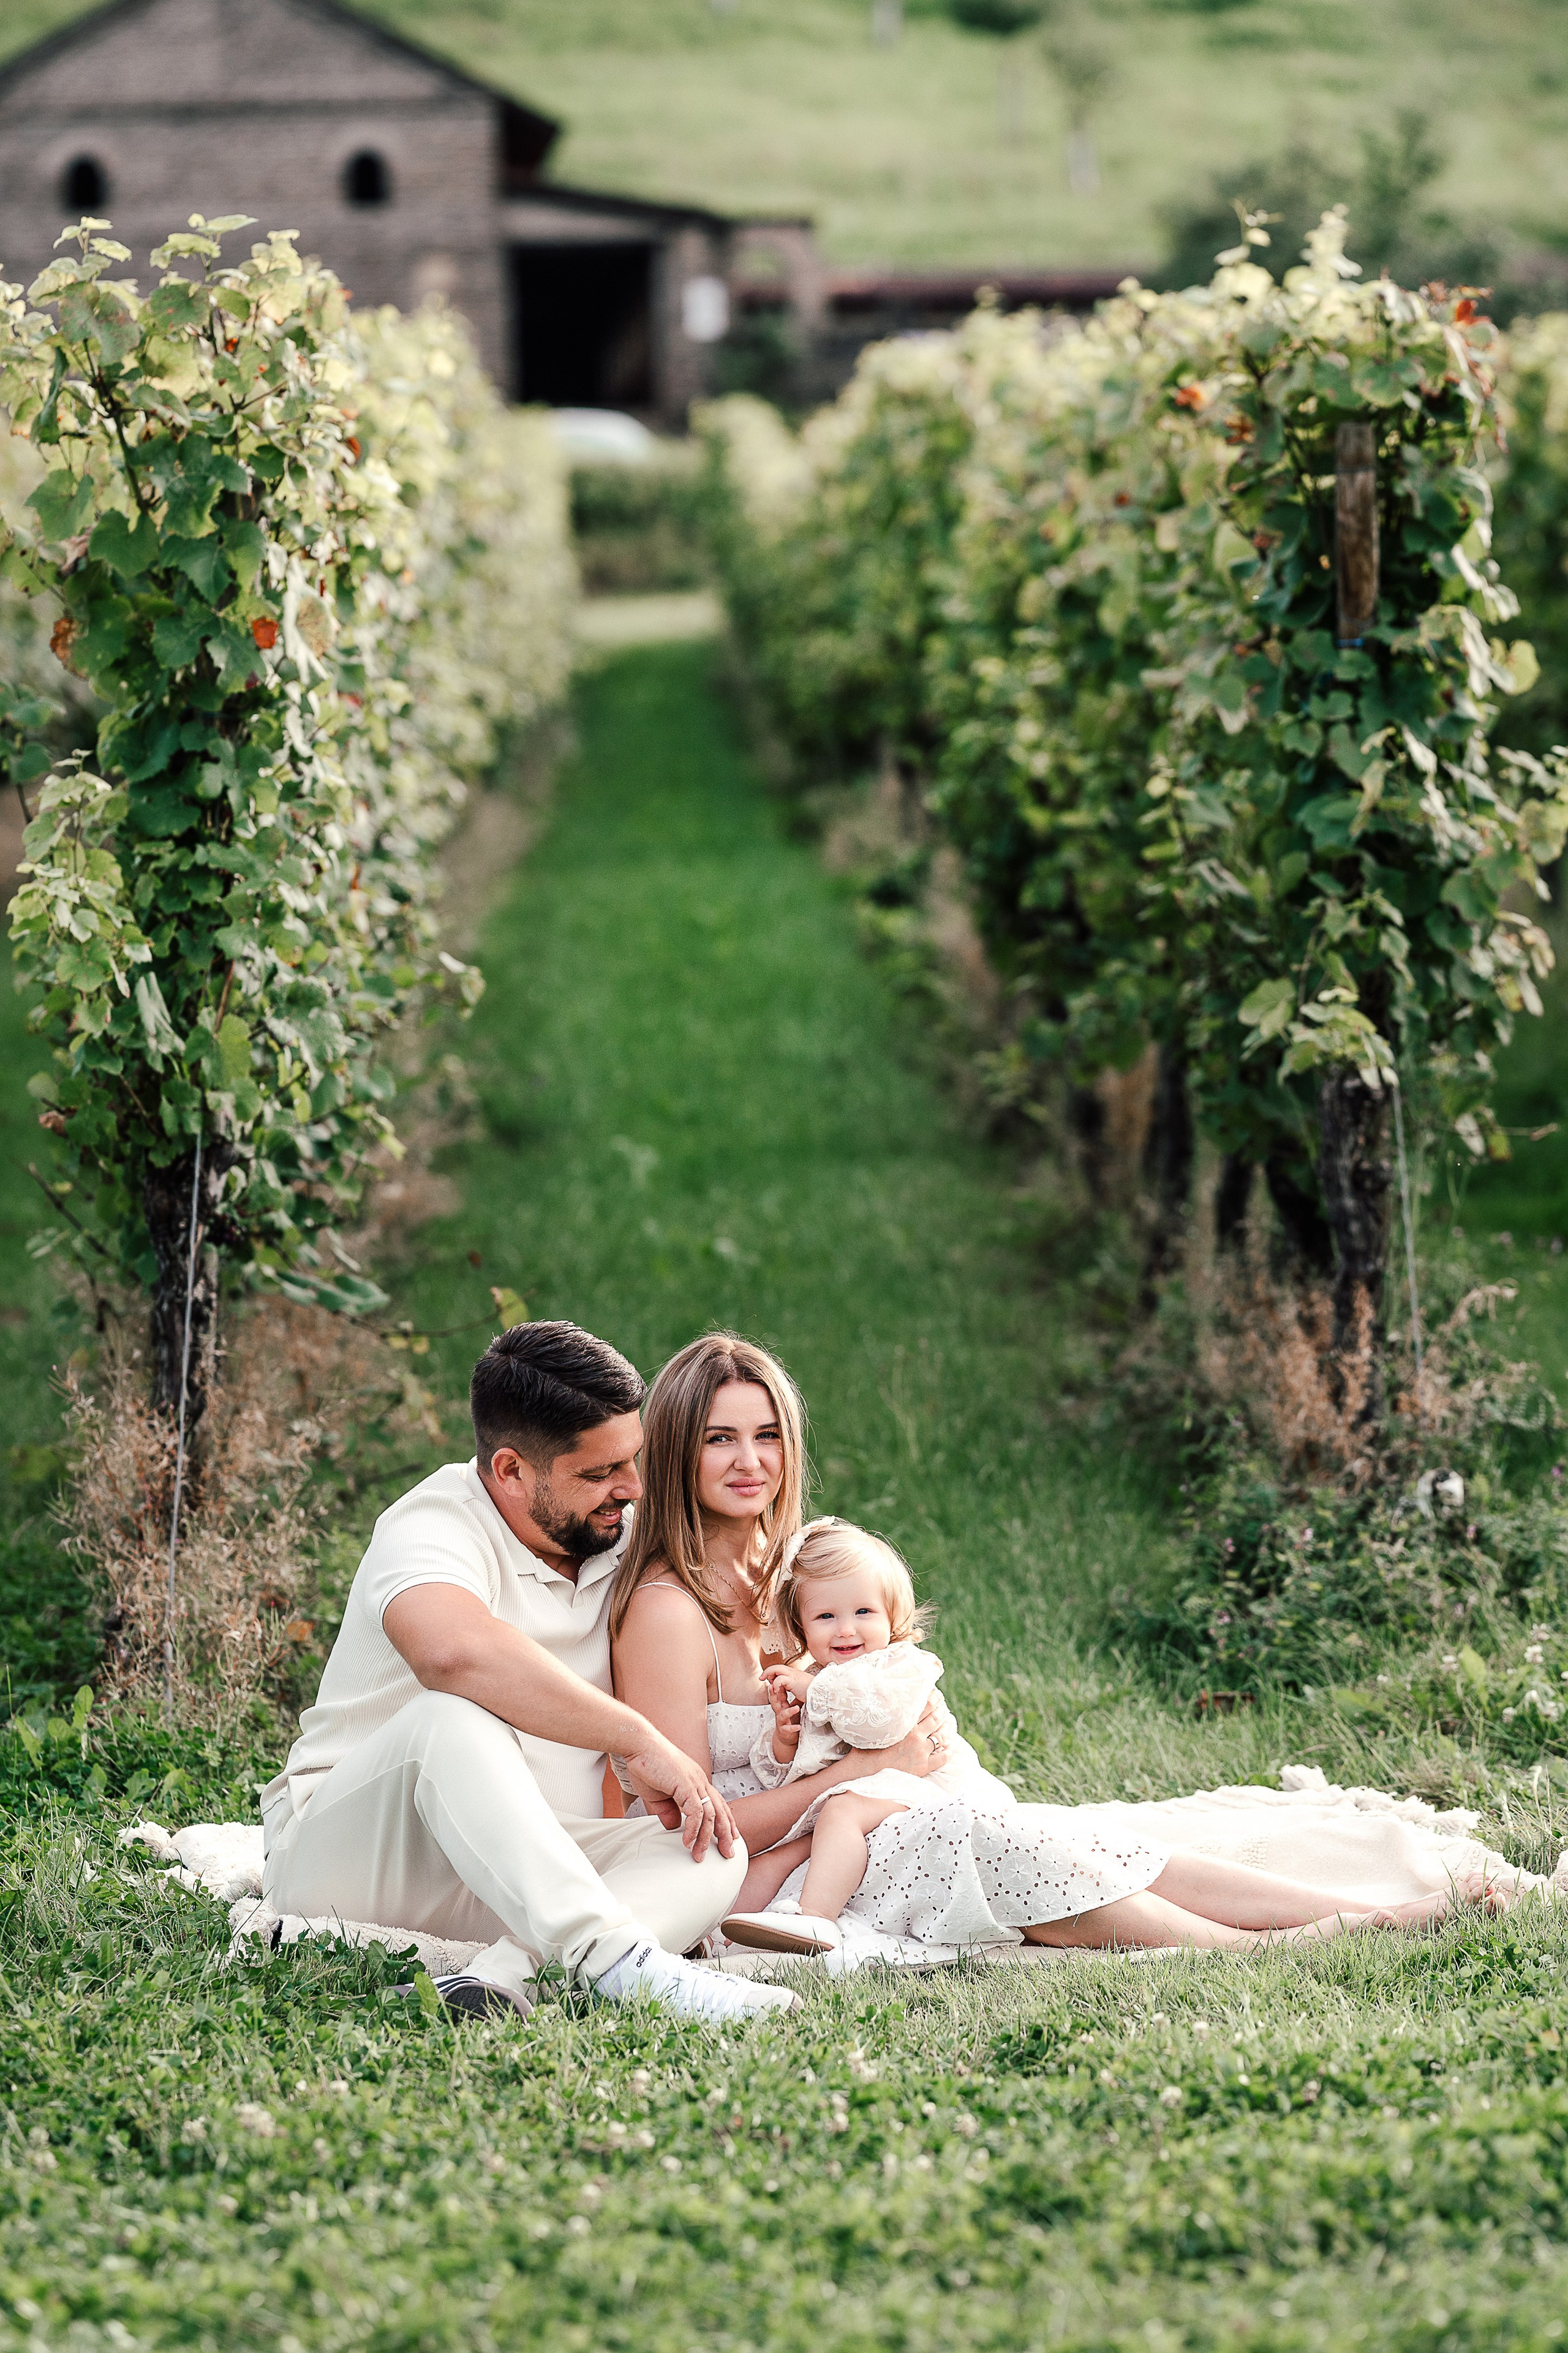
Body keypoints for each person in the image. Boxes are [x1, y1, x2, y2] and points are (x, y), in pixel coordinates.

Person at [612, 1340, 1453, 1958]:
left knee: (1066, 1837)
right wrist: (857, 1778)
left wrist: (891, 1752)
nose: (751, 1460)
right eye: (721, 1438)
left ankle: (1345, 1911)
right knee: (974, 1841)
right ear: (679, 1450)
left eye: (767, 1435)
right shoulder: (667, 1610)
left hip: (857, 1825)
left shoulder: (788, 1572)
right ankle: (1266, 1949)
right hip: (765, 1876)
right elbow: (690, 1827)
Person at [261, 1320, 796, 2024]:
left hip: (518, 1868)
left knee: (709, 1845)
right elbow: (452, 1652)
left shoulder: (620, 1534)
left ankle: (500, 1982)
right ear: (511, 1470)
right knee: (450, 1713)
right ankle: (616, 1963)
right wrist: (637, 1739)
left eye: (632, 1460)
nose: (632, 1487)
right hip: (358, 1860)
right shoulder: (433, 1524)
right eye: (599, 1473)